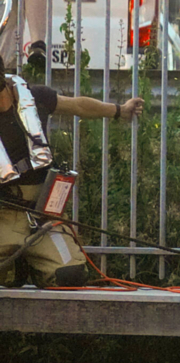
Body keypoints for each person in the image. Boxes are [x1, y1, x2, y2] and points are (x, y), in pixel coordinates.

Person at [0, 58, 144, 288]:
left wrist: (120, 110)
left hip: (42, 218)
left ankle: (33, 265)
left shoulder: (34, 97)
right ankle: (14, 269)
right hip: (3, 216)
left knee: (70, 276)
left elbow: (79, 106)